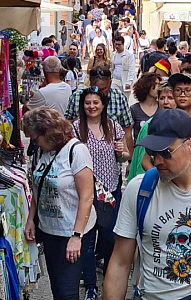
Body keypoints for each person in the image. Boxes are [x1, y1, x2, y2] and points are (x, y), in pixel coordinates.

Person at [105, 110, 191, 300]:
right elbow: (120, 261)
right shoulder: (139, 189)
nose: (158, 161)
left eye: (165, 152)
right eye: (153, 153)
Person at [23, 108, 96, 300]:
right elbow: (37, 189)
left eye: (35, 137)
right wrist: (31, 219)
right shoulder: (43, 151)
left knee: (67, 292)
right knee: (57, 288)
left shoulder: (76, 150)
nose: (34, 142)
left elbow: (87, 196)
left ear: (47, 132)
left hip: (71, 232)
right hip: (49, 231)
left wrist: (76, 236)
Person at [73, 88, 129, 300]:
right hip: (87, 192)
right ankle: (90, 285)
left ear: (103, 104)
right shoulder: (76, 129)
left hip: (111, 189)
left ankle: (109, 278)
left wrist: (120, 152)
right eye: (88, 103)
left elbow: (124, 156)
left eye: (95, 102)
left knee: (109, 236)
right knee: (87, 239)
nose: (92, 107)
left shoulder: (113, 126)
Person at [66, 66, 135, 158]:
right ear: (90, 83)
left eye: (103, 89)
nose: (98, 93)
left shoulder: (119, 97)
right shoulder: (77, 97)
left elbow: (127, 130)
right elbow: (66, 125)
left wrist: (130, 160)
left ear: (110, 83)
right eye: (95, 89)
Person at [128, 81, 176, 181]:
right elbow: (143, 162)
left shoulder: (176, 122)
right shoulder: (151, 125)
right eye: (162, 98)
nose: (165, 102)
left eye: (170, 98)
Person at [130, 73, 160, 140]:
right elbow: (128, 133)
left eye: (159, 84)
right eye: (155, 84)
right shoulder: (134, 109)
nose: (158, 87)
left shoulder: (162, 107)